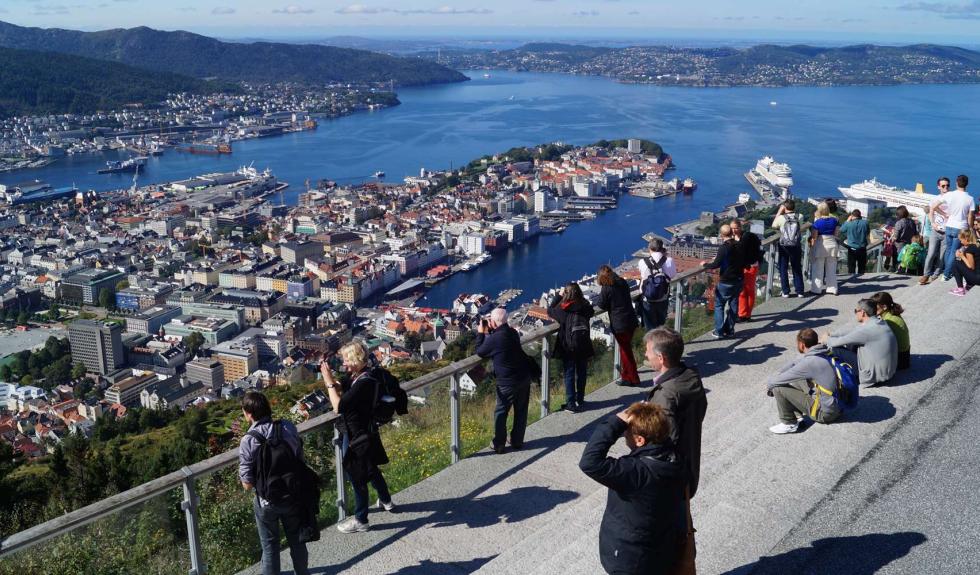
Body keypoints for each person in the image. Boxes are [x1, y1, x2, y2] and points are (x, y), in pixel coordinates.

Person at [579, 402, 687, 575]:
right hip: (660, 549)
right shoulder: (674, 457)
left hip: (630, 559)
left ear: (640, 440)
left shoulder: (636, 472)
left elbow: (589, 463)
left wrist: (614, 423)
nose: (624, 435)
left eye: (626, 432)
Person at [644, 327, 707, 573]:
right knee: (683, 532)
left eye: (648, 351)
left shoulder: (666, 396)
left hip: (669, 478)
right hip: (688, 467)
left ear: (661, 359)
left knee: (666, 539)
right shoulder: (690, 377)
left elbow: (662, 441)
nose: (645, 355)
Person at [321, 342, 394, 533]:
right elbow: (346, 386)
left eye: (346, 358)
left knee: (357, 474)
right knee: (370, 467)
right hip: (364, 431)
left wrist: (328, 382)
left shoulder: (364, 383)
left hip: (357, 434)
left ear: (354, 359)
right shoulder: (361, 375)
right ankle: (386, 500)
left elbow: (339, 406)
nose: (343, 362)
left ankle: (361, 520)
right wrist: (334, 382)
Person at [239, 391, 310, 575]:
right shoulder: (287, 427)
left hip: (267, 501)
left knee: (270, 547)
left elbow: (247, 484)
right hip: (293, 494)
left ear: (249, 414)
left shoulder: (248, 440)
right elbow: (299, 458)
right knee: (297, 541)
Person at [766, 328, 842, 434]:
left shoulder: (809, 363)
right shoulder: (825, 352)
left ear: (802, 345)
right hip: (838, 407)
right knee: (797, 379)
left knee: (778, 388)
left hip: (825, 414)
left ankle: (789, 423)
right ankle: (798, 417)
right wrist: (781, 373)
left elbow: (774, 382)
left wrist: (770, 387)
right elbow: (795, 363)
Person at [476, 307, 532, 452]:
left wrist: (481, 333)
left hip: (507, 382)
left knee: (501, 413)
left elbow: (480, 351)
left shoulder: (494, 338)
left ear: (493, 323)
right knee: (521, 410)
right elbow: (501, 341)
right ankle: (517, 441)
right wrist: (492, 330)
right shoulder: (513, 333)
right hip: (523, 377)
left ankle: (499, 444)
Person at [824, 299, 897, 387]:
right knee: (852, 344)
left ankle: (839, 377)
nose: (855, 313)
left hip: (873, 377)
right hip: (888, 373)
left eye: (856, 311)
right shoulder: (879, 322)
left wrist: (826, 339)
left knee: (835, 349)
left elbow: (836, 342)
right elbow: (854, 330)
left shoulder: (866, 331)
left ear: (862, 312)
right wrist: (831, 334)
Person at [548, 282, 595, 412]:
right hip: (583, 343)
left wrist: (558, 296)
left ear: (566, 294)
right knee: (582, 372)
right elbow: (591, 310)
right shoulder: (585, 307)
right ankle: (580, 399)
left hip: (568, 346)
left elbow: (549, 310)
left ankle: (571, 403)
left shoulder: (563, 309)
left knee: (569, 374)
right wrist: (581, 297)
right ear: (579, 293)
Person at [597, 264, 642, 386]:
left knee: (626, 351)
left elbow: (601, 304)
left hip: (620, 324)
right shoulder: (622, 281)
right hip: (631, 319)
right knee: (626, 350)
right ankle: (627, 375)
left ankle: (633, 378)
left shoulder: (607, 288)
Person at [700, 224, 743, 338]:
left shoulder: (724, 247)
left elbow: (715, 264)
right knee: (734, 304)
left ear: (721, 234)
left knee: (719, 305)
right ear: (732, 233)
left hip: (726, 280)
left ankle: (719, 331)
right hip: (738, 279)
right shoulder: (739, 245)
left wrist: (705, 264)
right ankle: (729, 330)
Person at [942, 174, 975, 282]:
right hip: (960, 227)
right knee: (953, 251)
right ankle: (946, 274)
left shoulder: (950, 194)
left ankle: (946, 271)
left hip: (949, 225)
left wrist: (944, 214)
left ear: (956, 183)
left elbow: (934, 206)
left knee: (948, 250)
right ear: (967, 184)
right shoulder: (970, 199)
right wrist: (971, 228)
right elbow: (970, 216)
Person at [638, 239, 676, 330]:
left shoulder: (642, 262)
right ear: (662, 248)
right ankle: (660, 343)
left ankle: (652, 343)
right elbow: (673, 275)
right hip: (663, 297)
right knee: (661, 326)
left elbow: (643, 276)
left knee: (650, 328)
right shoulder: (669, 260)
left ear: (649, 248)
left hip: (648, 298)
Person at [772, 200, 805, 297]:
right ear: (794, 207)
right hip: (796, 245)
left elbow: (774, 226)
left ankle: (786, 292)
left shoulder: (781, 218)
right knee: (797, 267)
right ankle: (800, 291)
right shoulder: (800, 216)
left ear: (784, 207)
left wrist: (779, 211)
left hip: (784, 245)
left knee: (783, 267)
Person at [920, 177, 950, 284]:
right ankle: (926, 275)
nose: (945, 187)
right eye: (943, 186)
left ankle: (936, 275)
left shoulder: (952, 198)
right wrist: (932, 223)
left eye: (947, 185)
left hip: (947, 232)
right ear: (938, 187)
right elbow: (930, 212)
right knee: (931, 253)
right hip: (935, 231)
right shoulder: (934, 199)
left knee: (942, 256)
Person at [870, 292, 910, 370]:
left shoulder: (888, 321)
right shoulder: (892, 313)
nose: (872, 308)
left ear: (884, 307)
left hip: (900, 360)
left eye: (875, 306)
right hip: (905, 356)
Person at [732, 219, 762, 322]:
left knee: (747, 291)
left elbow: (740, 252)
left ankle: (745, 315)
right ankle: (744, 314)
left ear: (741, 227)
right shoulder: (748, 236)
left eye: (736, 228)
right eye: (732, 228)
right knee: (744, 291)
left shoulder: (746, 238)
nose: (734, 230)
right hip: (747, 266)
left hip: (749, 266)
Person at [809, 201, 840, 295]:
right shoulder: (835, 220)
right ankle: (832, 289)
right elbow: (837, 234)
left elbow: (814, 237)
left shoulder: (817, 222)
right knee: (832, 269)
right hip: (832, 244)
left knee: (818, 268)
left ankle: (816, 289)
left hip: (820, 245)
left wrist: (811, 248)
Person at [839, 209, 870, 275]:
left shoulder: (849, 224)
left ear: (852, 216)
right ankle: (861, 279)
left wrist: (847, 220)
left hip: (852, 248)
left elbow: (841, 230)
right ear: (860, 216)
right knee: (861, 267)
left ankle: (852, 278)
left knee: (851, 267)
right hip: (862, 247)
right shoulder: (865, 223)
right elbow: (867, 232)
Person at [950, 229, 980, 296]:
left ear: (966, 239)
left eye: (961, 240)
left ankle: (960, 289)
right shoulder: (977, 245)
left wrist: (962, 256)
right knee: (960, 262)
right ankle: (969, 284)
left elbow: (971, 266)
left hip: (977, 279)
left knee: (955, 263)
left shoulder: (970, 249)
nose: (961, 242)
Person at [891, 206, 918, 270]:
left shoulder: (899, 223)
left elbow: (896, 236)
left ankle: (897, 270)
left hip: (900, 244)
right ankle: (905, 270)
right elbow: (915, 233)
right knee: (906, 258)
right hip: (909, 244)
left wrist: (892, 238)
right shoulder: (912, 222)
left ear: (898, 214)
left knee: (899, 258)